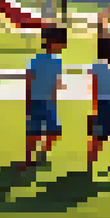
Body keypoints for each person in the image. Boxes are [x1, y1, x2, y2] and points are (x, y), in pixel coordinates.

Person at [23, 26, 68, 170]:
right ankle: (29, 160)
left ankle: (42, 153)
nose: (63, 46)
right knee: (34, 133)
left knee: (54, 131)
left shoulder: (57, 61)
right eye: (61, 42)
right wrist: (28, 102)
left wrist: (55, 97)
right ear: (51, 42)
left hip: (48, 102)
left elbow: (55, 82)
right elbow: (29, 80)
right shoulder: (36, 60)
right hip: (36, 100)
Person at [87, 36, 110, 181]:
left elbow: (94, 88)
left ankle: (90, 167)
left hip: (103, 104)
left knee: (97, 138)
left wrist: (94, 108)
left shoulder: (97, 65)